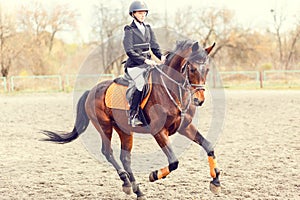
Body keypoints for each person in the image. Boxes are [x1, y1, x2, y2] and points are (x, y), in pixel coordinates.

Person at [123, 0, 165, 127]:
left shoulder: (148, 28)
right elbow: (129, 51)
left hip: (148, 64)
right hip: (134, 65)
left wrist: (161, 57)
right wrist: (145, 60)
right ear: (133, 14)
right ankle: (133, 115)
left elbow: (154, 46)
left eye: (144, 13)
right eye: (139, 13)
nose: (142, 15)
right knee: (141, 84)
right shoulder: (129, 29)